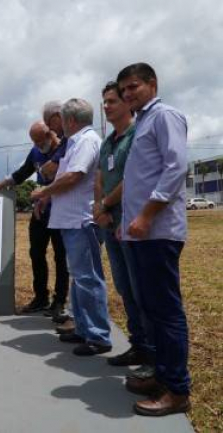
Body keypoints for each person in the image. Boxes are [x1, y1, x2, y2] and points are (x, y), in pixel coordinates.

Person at [116, 62, 191, 416]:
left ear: (152, 84)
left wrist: (145, 215)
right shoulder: (142, 121)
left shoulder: (165, 116)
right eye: (124, 90)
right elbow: (137, 178)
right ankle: (161, 374)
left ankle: (176, 389)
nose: (128, 94)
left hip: (158, 231)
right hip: (139, 233)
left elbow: (176, 167)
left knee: (165, 311)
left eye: (133, 87)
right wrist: (128, 221)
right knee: (150, 308)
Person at [31, 98, 112, 357]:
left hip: (81, 220)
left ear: (70, 121)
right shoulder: (75, 142)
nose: (57, 127)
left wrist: (44, 190)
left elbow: (73, 175)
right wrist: (47, 197)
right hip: (70, 220)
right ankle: (83, 326)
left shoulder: (86, 141)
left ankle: (98, 335)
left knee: (88, 278)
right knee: (79, 276)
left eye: (61, 121)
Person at [0, 121, 69, 321]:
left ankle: (59, 302)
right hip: (40, 211)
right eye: (34, 142)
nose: (38, 145)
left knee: (60, 257)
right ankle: (40, 298)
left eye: (40, 141)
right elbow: (21, 174)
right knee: (36, 253)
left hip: (62, 211)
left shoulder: (66, 148)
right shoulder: (36, 153)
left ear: (50, 134)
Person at [93, 82, 153, 369]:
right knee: (125, 288)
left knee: (141, 289)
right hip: (108, 222)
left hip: (129, 223)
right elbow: (101, 178)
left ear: (128, 103)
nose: (106, 106)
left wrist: (105, 205)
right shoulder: (107, 142)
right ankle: (138, 345)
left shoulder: (137, 135)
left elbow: (133, 179)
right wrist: (99, 207)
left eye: (112, 101)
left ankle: (151, 352)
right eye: (104, 102)